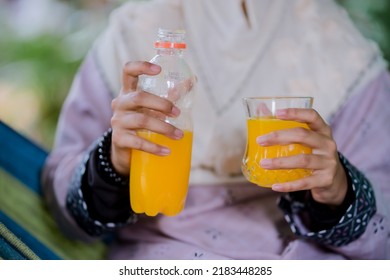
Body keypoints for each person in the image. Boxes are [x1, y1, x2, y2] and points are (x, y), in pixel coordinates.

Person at [42, 0, 390, 259]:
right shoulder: (131, 34)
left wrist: (339, 192)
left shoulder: (345, 53)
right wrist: (114, 161)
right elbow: (67, 209)